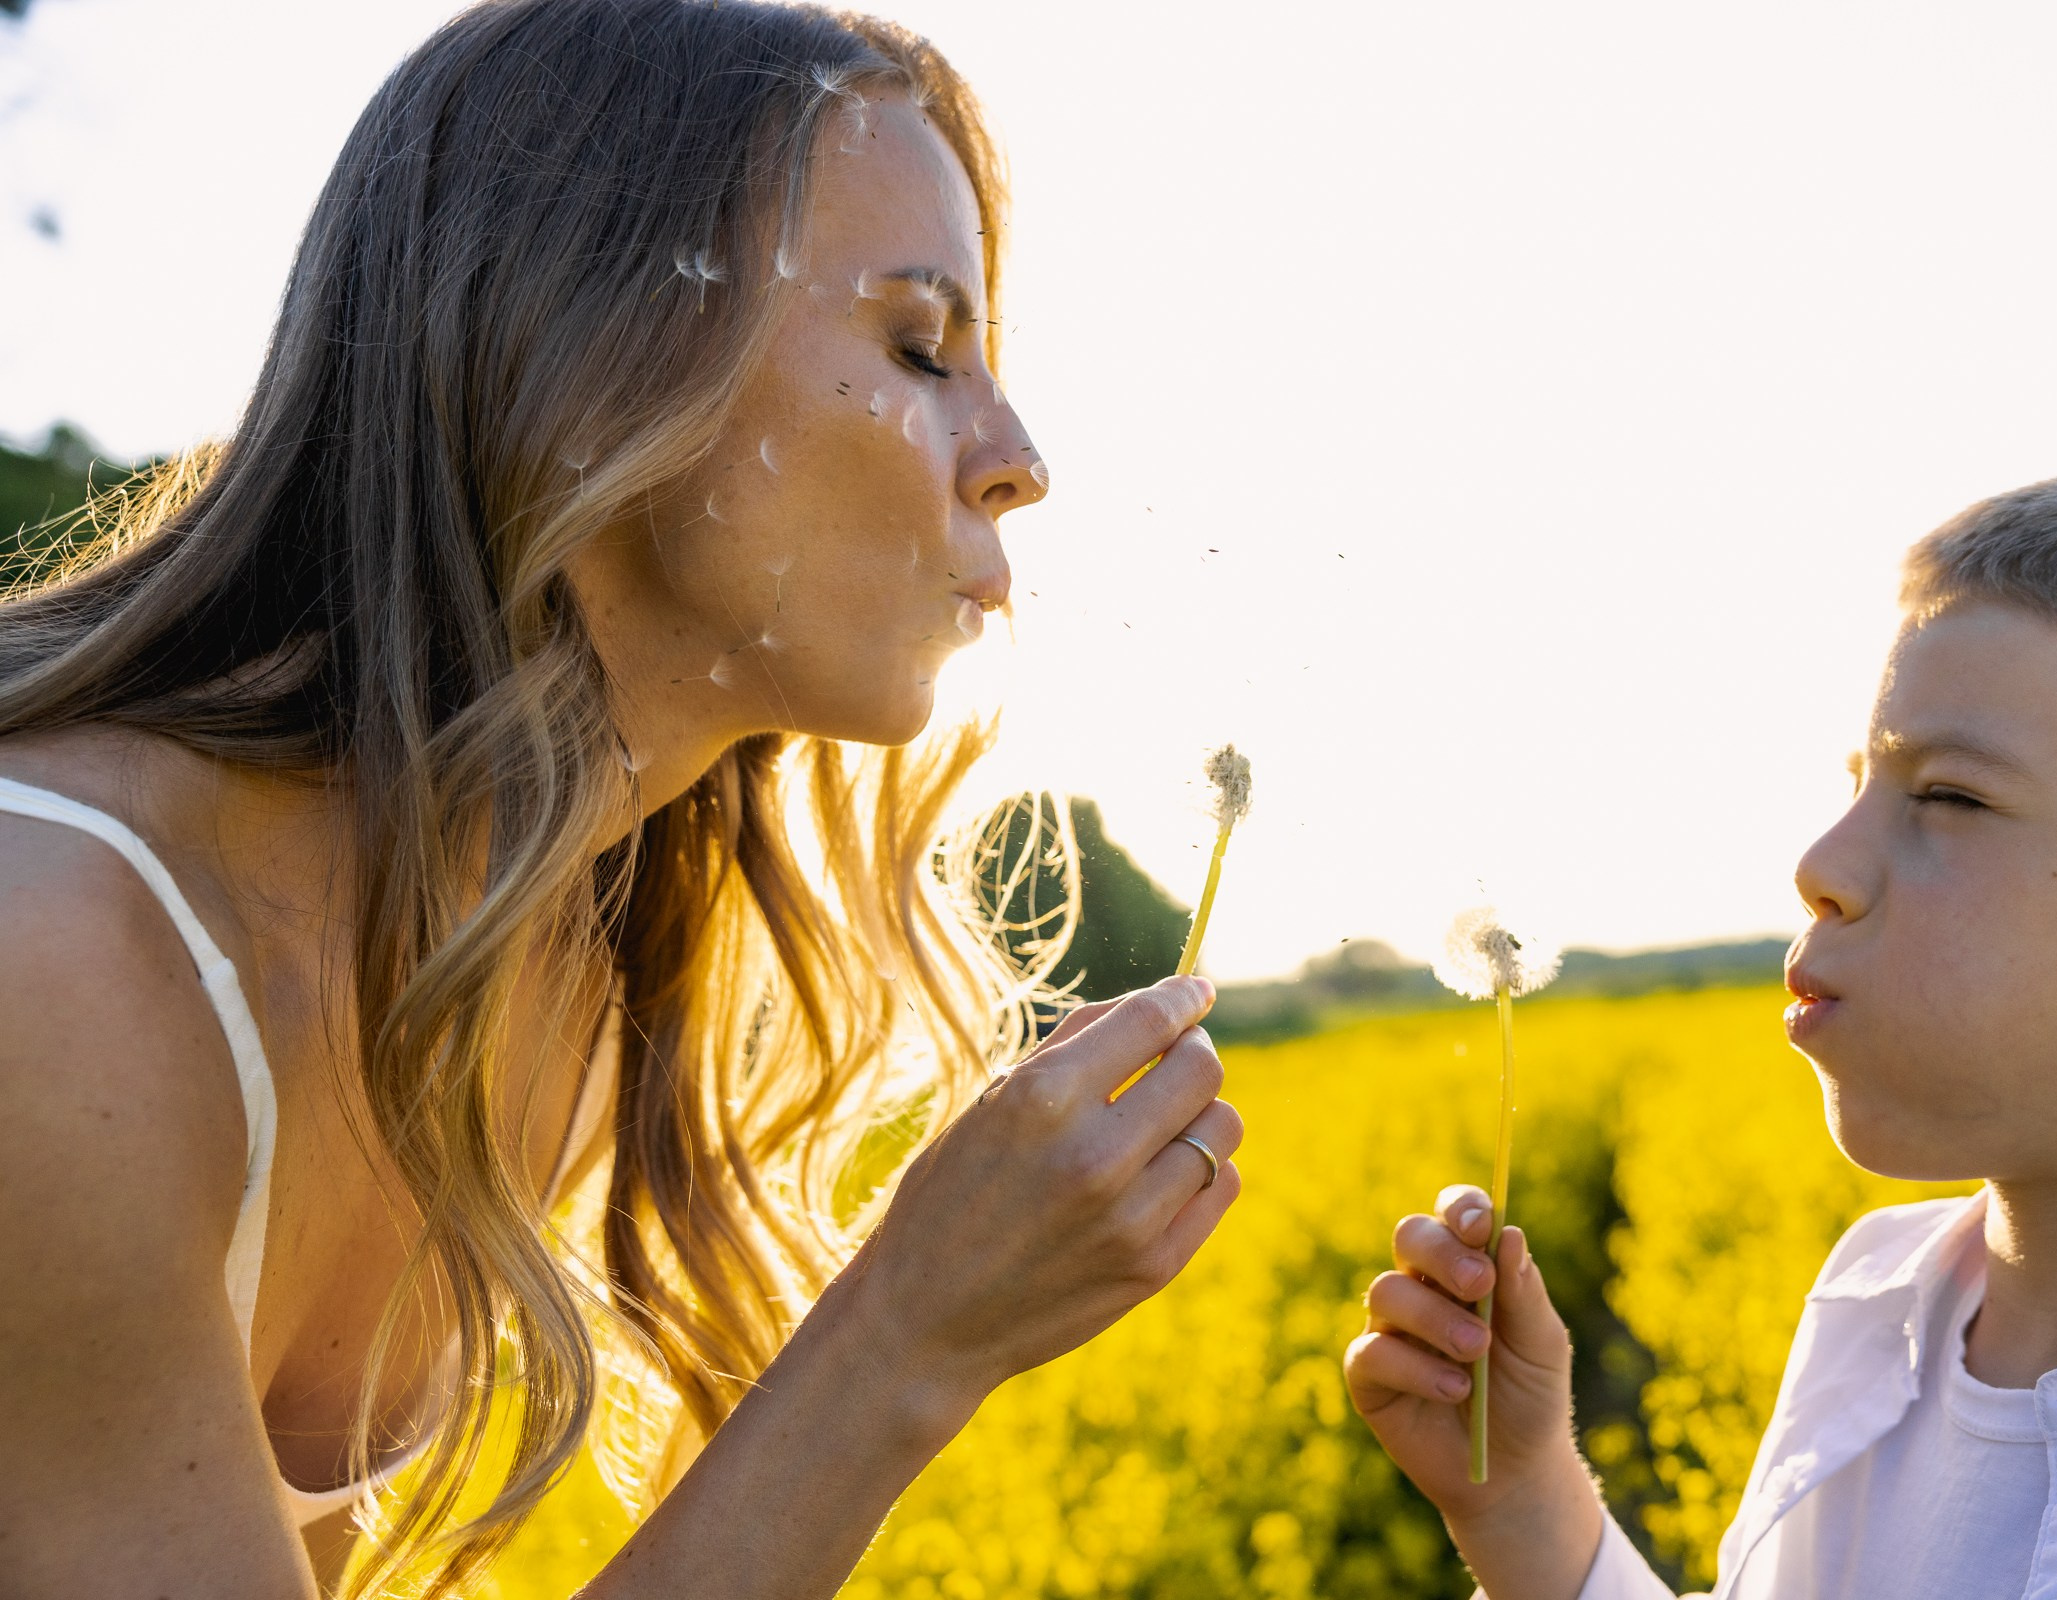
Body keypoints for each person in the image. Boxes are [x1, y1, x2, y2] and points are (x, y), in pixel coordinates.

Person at [0, 3, 1243, 1596]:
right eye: (922, 345)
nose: (1015, 457)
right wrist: (906, 1343)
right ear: (584, 356)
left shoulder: (534, 968)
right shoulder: (63, 970)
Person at [1346, 474, 2057, 1598]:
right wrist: (1524, 1504)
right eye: (1859, 784)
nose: (1821, 867)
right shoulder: (1871, 1309)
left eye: (1948, 796)